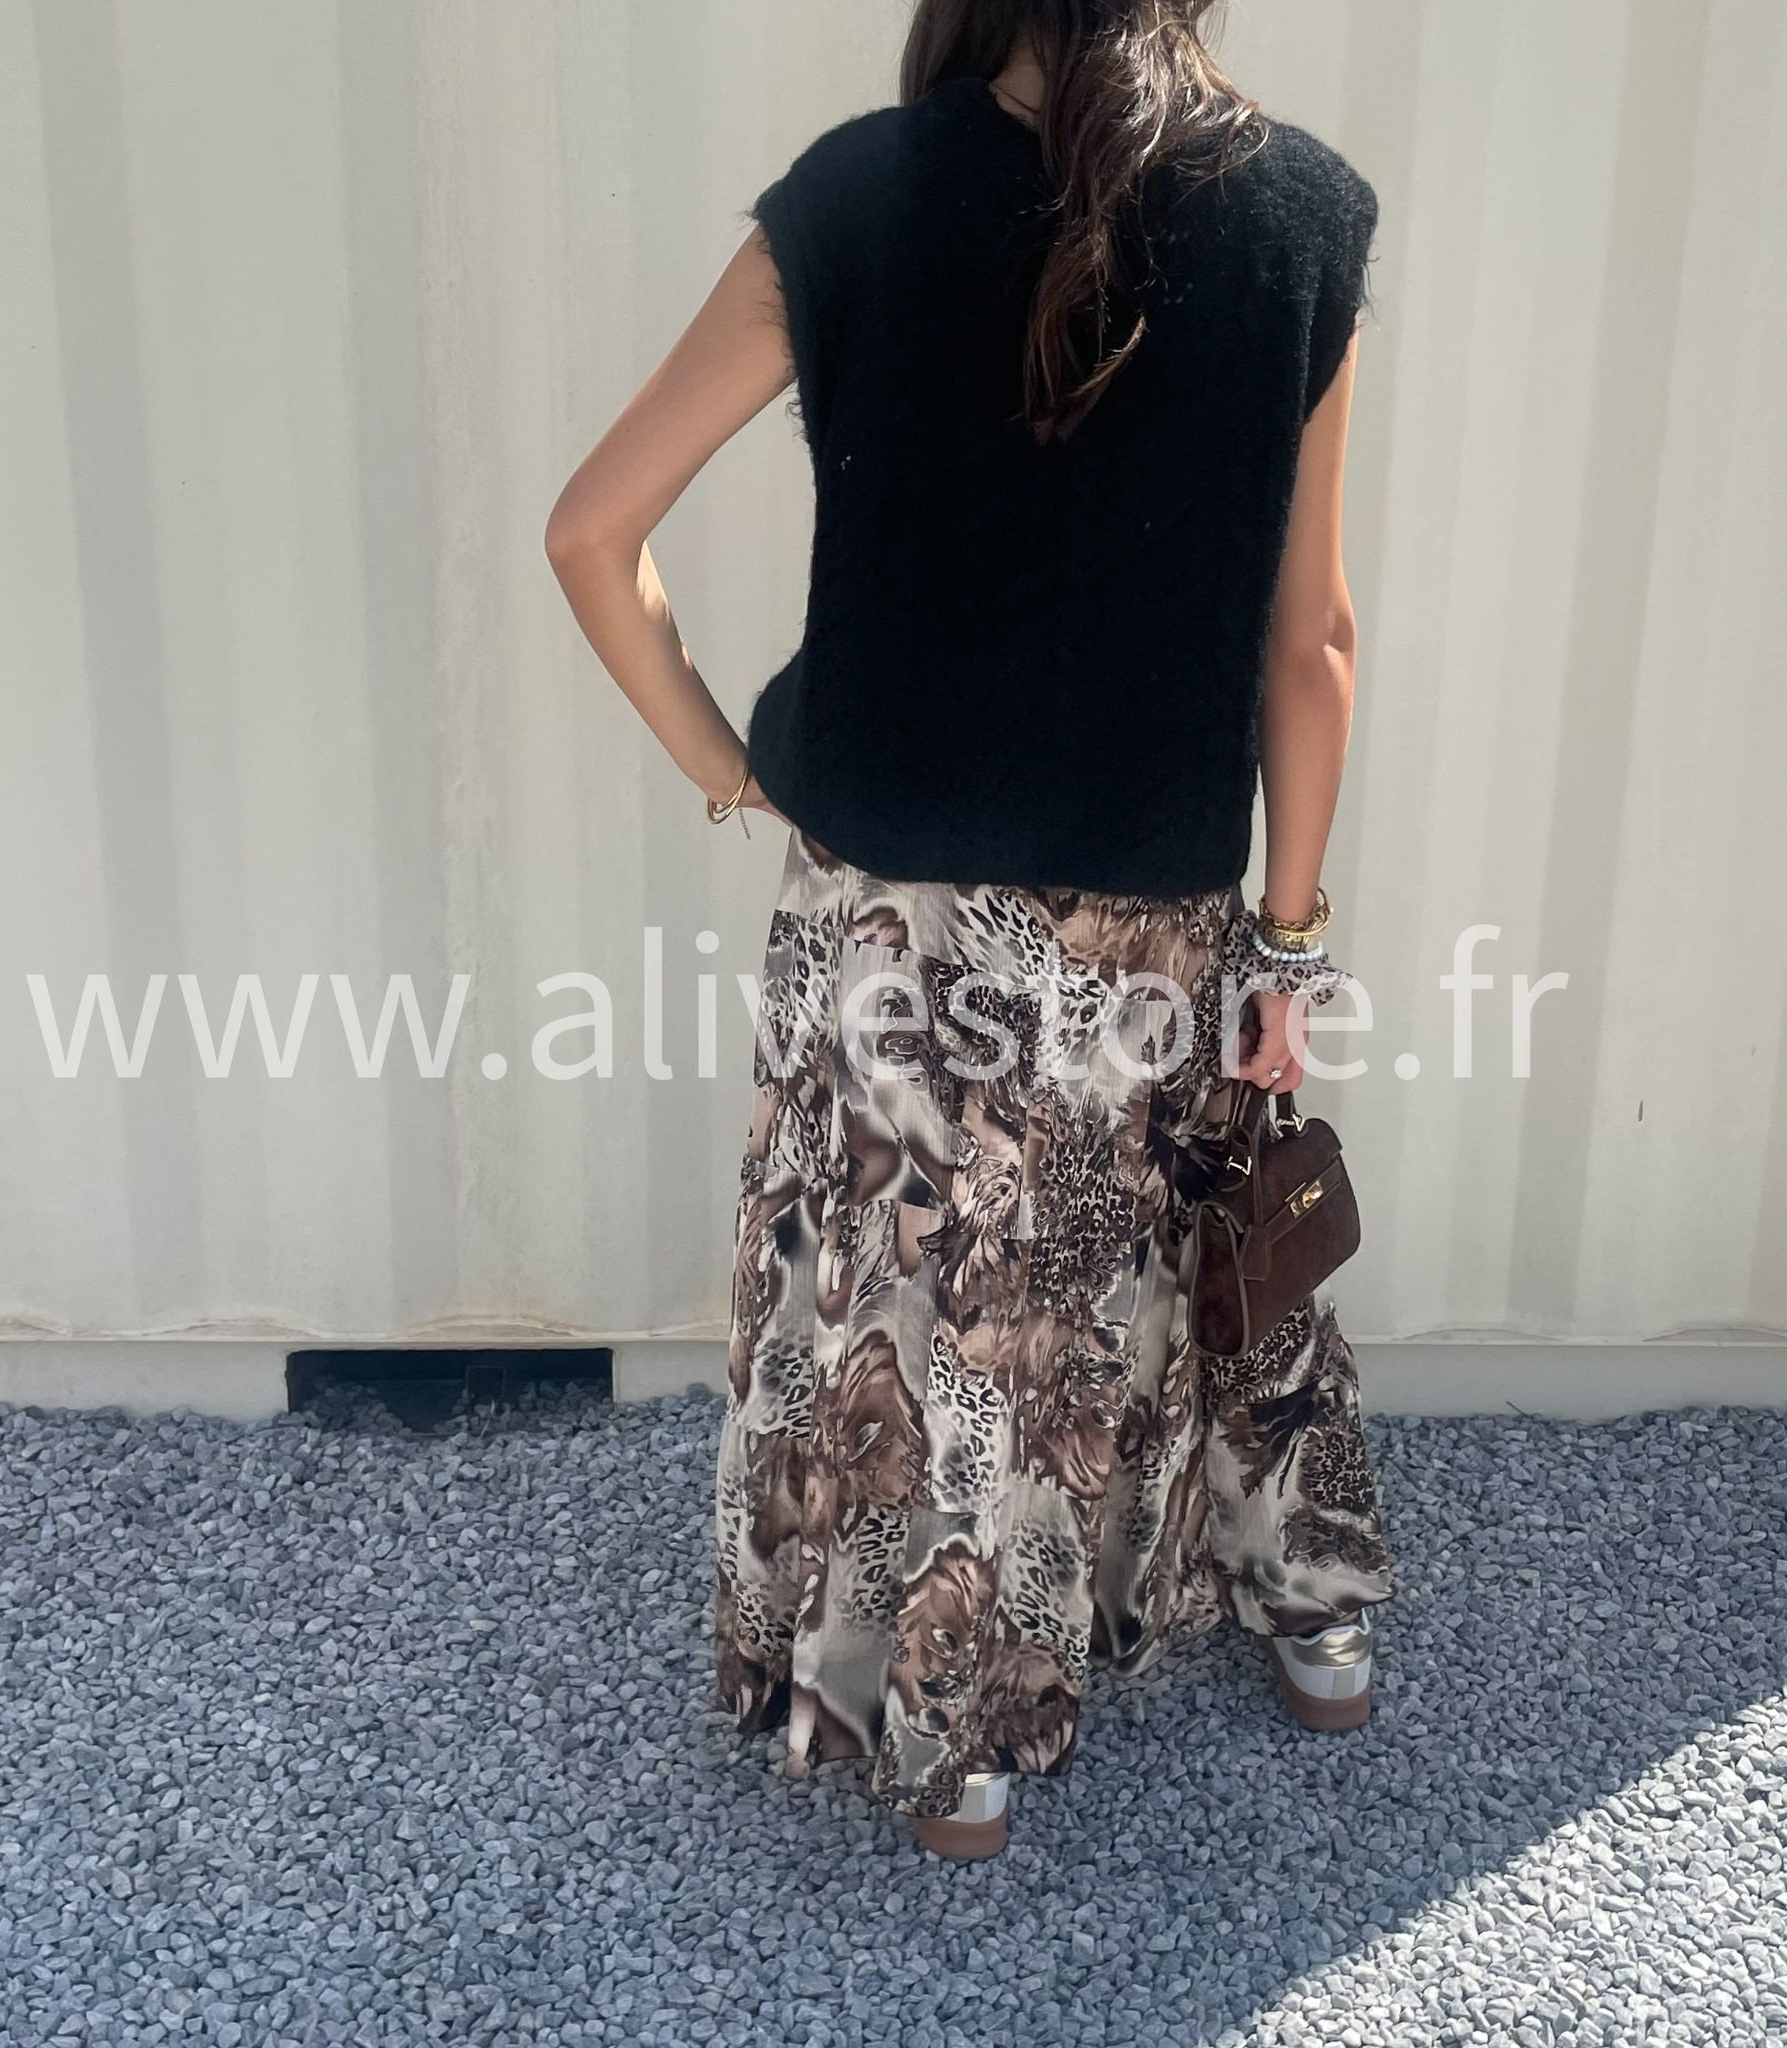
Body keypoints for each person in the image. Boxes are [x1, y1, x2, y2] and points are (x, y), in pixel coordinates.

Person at [545, 0, 1394, 1861]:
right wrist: (1287, 937)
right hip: (1149, 918)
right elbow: (1312, 644)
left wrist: (725, 768)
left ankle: (956, 1748)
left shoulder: (851, 197)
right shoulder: (1303, 220)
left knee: (909, 1298)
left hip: (882, 911)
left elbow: (593, 532)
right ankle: (1313, 1623)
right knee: (1140, 1269)